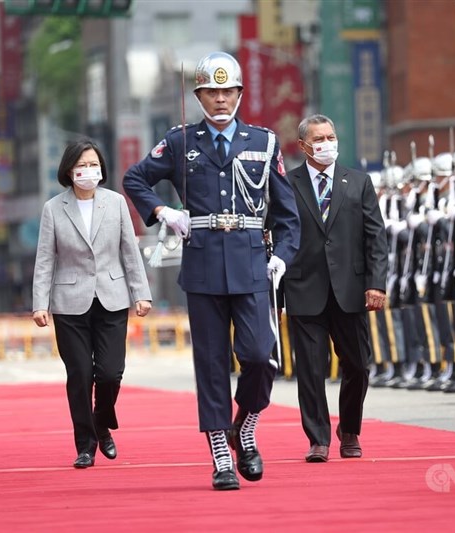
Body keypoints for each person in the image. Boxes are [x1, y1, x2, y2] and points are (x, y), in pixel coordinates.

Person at [122, 51, 300, 490]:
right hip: (202, 265)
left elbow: (287, 215)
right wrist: (164, 211)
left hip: (253, 263)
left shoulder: (263, 142)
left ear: (240, 94)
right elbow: (134, 179)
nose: (221, 99)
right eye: (212, 92)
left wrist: (282, 257)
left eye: (228, 91)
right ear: (199, 95)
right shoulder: (181, 141)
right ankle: (222, 453)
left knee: (261, 356)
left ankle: (247, 425)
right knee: (212, 363)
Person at [32, 139, 153, 469]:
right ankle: (85, 444)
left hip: (112, 298)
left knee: (111, 373)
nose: (89, 171)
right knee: (81, 374)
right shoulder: (54, 209)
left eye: (94, 164)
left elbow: (129, 251)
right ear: (69, 171)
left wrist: (141, 293)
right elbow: (45, 259)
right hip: (69, 302)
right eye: (81, 166)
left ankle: (102, 423)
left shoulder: (115, 203)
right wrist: (39, 303)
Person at [282, 114, 388, 463]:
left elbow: (376, 238)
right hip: (304, 289)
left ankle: (350, 430)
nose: (326, 143)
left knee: (357, 365)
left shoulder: (357, 182)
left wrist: (376, 283)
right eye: (319, 138)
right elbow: (278, 235)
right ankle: (318, 438)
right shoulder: (287, 183)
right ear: (303, 146)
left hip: (351, 290)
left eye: (330, 136)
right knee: (311, 369)